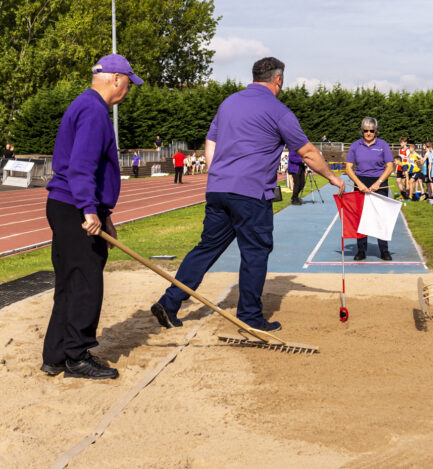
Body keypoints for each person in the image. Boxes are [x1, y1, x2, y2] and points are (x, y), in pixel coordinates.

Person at [150, 57, 344, 332]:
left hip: (218, 189)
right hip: (251, 193)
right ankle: (250, 317)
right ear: (278, 80)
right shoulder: (279, 111)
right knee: (255, 251)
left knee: (207, 247)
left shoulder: (228, 103)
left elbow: (211, 140)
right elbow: (308, 153)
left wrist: (216, 173)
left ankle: (169, 302)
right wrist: (333, 178)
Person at [41, 54, 143, 379]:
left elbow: (91, 170)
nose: (128, 90)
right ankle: (76, 355)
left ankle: (56, 355)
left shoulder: (86, 105)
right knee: (86, 282)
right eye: (128, 83)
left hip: (70, 205)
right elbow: (81, 165)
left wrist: (104, 213)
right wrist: (88, 209)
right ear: (116, 79)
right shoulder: (94, 111)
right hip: (74, 206)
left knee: (70, 283)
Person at [345, 116, 394, 261]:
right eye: (365, 130)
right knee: (360, 218)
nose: (368, 133)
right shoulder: (355, 146)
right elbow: (348, 168)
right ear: (362, 130)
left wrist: (379, 182)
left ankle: (384, 250)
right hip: (360, 182)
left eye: (371, 131)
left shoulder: (383, 145)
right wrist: (358, 183)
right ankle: (361, 250)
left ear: (376, 131)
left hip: (379, 183)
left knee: (380, 218)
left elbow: (390, 166)